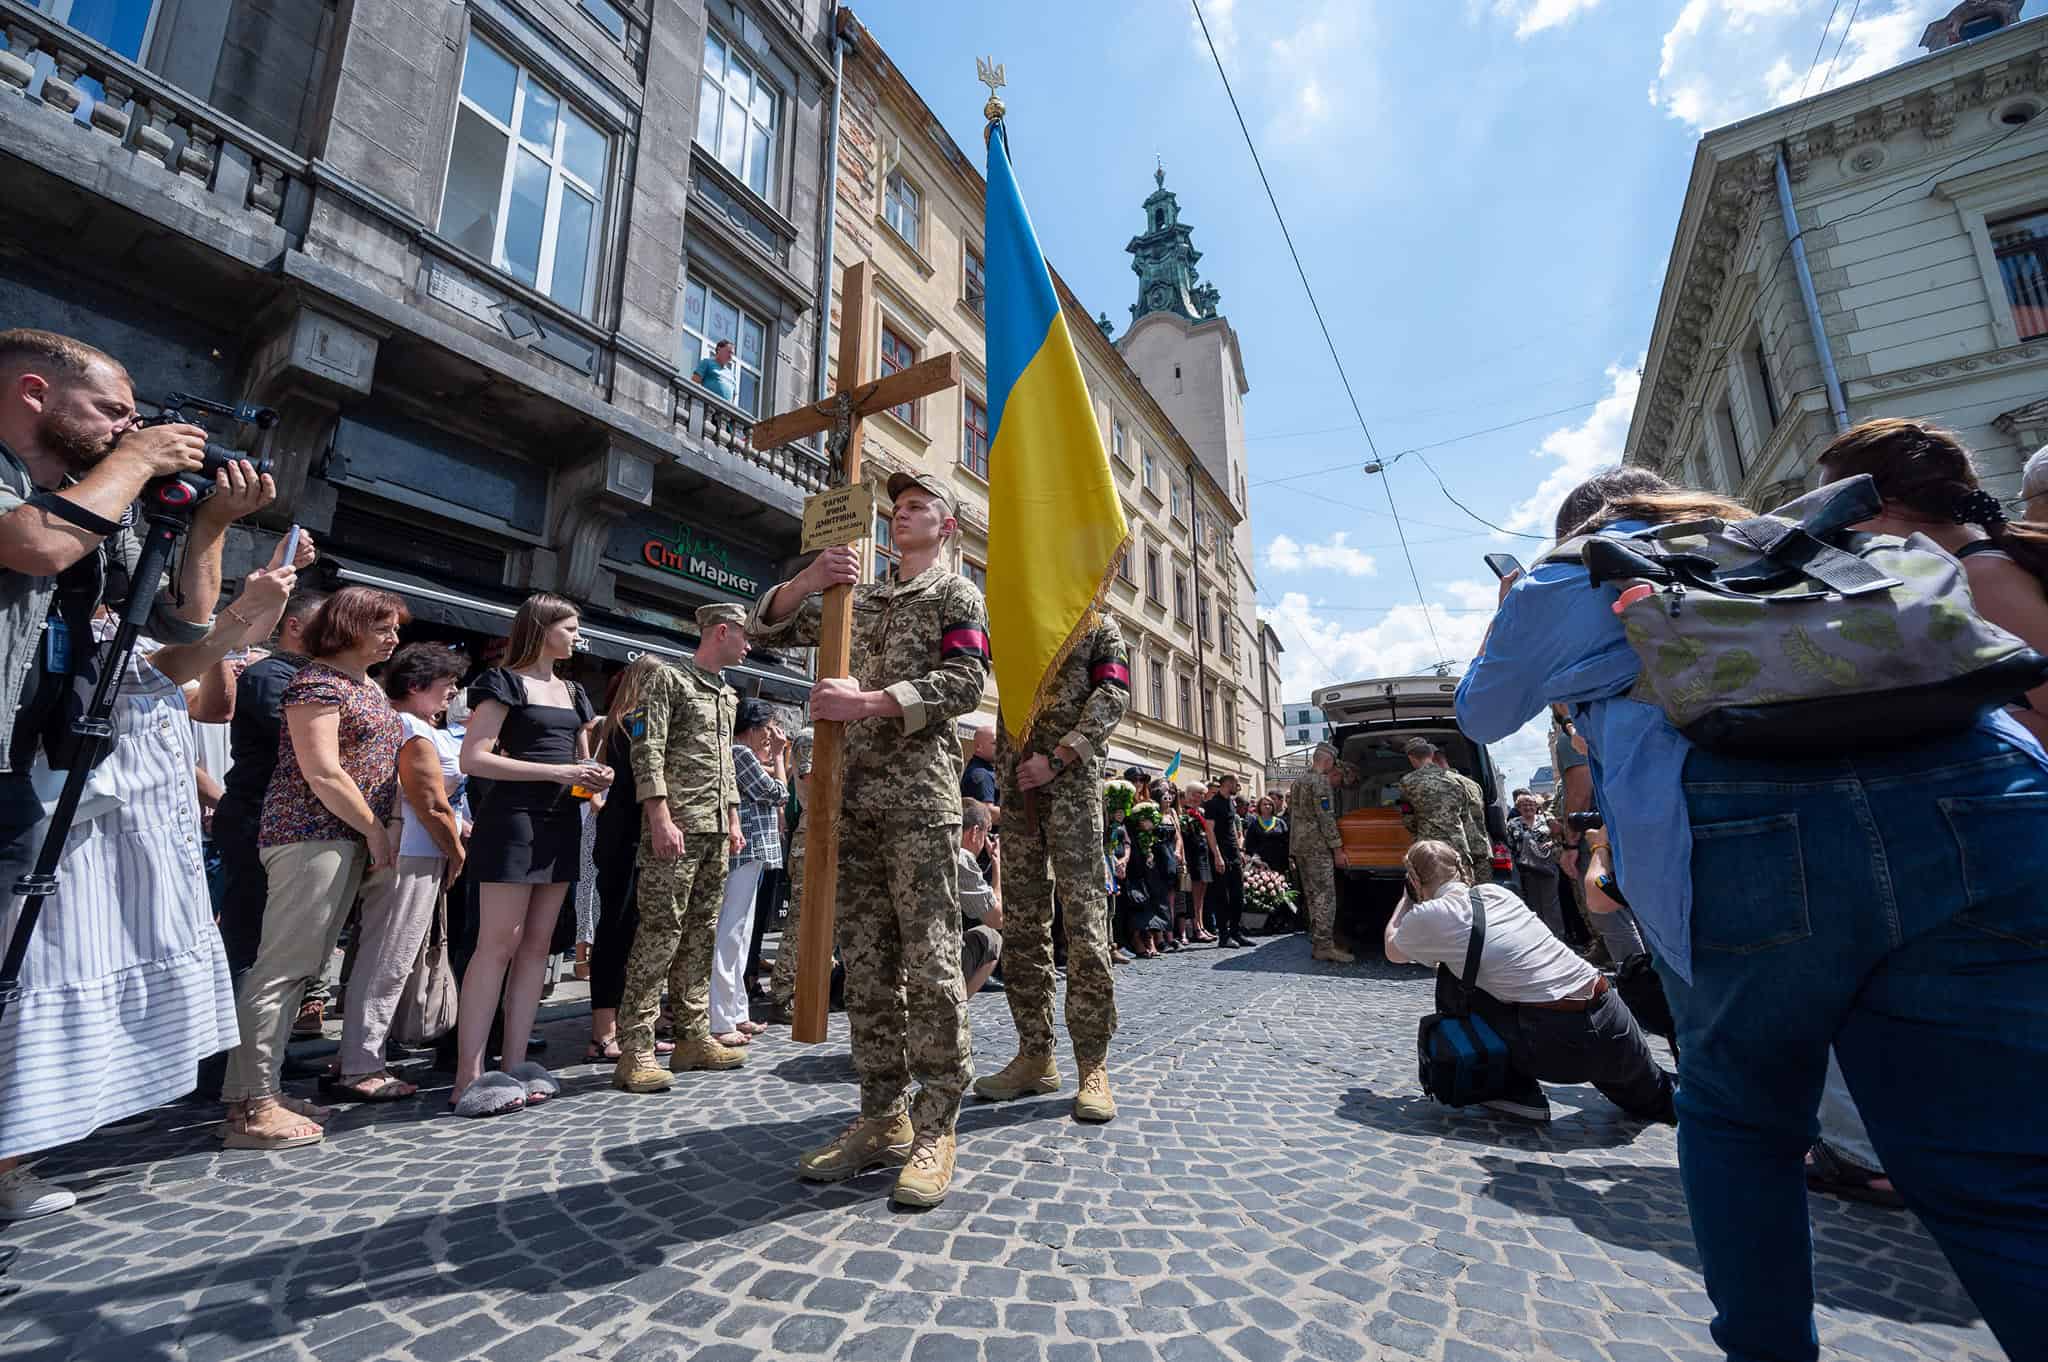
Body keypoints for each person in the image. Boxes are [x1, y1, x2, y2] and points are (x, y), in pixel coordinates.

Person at [1455, 466, 2048, 1362]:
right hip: (1986, 800)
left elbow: (1481, 711)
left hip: (1746, 828)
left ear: (1581, 524)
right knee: (1994, 1165)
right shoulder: (1812, 536)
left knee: (1741, 1119)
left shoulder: (1570, 571)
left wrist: (1519, 604)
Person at [0, 528, 298, 1216]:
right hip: (82, 834)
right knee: (48, 973)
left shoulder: (139, 638)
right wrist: (231, 603)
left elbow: (212, 703)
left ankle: (71, 1117)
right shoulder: (82, 638)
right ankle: (10, 1160)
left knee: (106, 972)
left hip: (139, 834)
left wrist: (239, 615)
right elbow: (179, 664)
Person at [749, 470, 990, 1206]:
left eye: (918, 508)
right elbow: (770, 628)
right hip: (847, 802)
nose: (902, 516)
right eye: (897, 509)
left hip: (918, 801)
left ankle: (936, 1123)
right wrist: (810, 578)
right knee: (869, 967)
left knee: (932, 961)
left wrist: (868, 703)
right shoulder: (863, 594)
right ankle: (879, 1114)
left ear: (945, 527)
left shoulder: (956, 595)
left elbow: (964, 682)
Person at [0, 330, 230, 894]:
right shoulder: (86, 492)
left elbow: (179, 619)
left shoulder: (96, 499)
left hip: (15, 758)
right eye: (112, 411)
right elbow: (38, 545)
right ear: (35, 393)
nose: (129, 428)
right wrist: (139, 457)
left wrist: (213, 521)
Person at [217, 587, 408, 1148]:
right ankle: (251, 1105)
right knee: (280, 969)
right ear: (349, 627)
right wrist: (375, 829)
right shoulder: (318, 682)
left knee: (298, 969)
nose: (394, 638)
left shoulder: (362, 685)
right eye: (384, 626)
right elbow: (321, 771)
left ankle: (261, 1091)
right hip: (309, 835)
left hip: (339, 838)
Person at [1386, 840, 1675, 1125]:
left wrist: (1406, 900)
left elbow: (1393, 950)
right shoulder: (1497, 893)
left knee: (1454, 975)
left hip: (1556, 1040)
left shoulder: (1429, 916)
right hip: (1610, 1014)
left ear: (1414, 878)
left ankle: (1513, 1090)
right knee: (1666, 1101)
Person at [453, 594, 609, 1117]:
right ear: (543, 629)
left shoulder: (574, 691)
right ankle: (467, 1077)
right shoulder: (501, 682)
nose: (577, 636)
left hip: (562, 820)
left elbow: (581, 765)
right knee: (498, 944)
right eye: (570, 627)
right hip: (513, 820)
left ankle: (516, 1063)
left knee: (538, 947)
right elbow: (474, 757)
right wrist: (559, 773)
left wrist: (595, 782)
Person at [974, 616, 1128, 1121]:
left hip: (1073, 789)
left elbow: (1112, 694)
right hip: (1018, 788)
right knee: (1022, 926)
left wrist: (1060, 757)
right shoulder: (1021, 610)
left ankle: (1092, 1065)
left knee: (1084, 925)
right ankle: (1035, 1054)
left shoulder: (1098, 624)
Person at [1817, 419, 2048, 748]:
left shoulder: (1981, 577)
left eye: (1834, 508)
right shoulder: (1973, 567)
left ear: (1883, 505)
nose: (1830, 528)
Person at [612, 605, 749, 1092]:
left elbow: (726, 764)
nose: (749, 646)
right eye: (744, 636)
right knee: (659, 934)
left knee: (701, 933)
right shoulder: (668, 680)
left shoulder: (728, 694)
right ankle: (636, 1048)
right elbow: (646, 749)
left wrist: (732, 817)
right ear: (721, 632)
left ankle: (693, 1037)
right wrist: (659, 816)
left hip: (713, 828)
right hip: (677, 827)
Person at [328, 643, 467, 1103]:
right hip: (411, 852)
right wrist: (456, 850)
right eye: (445, 685)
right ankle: (361, 1064)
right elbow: (428, 800)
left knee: (379, 956)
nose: (452, 693)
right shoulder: (409, 728)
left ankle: (357, 1055)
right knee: (388, 958)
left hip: (404, 850)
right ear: (416, 686)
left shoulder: (406, 724)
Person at [583, 655, 666, 1062]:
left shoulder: (622, 723)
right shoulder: (634, 723)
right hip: (626, 837)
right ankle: (604, 1031)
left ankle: (626, 1024)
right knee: (618, 930)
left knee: (631, 932)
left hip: (626, 835)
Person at [711, 698, 787, 1048]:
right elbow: (776, 793)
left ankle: (736, 1010)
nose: (772, 736)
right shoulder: (741, 753)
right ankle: (721, 1016)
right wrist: (781, 761)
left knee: (741, 938)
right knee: (731, 934)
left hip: (752, 854)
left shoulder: (745, 755)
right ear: (754, 728)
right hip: (744, 852)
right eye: (769, 727)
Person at [761, 726, 813, 1027]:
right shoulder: (811, 737)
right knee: (801, 923)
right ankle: (782, 993)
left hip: (836, 839)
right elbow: (810, 779)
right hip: (811, 839)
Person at [1289, 743, 1353, 963]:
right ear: (1327, 762)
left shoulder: (1299, 781)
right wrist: (1337, 849)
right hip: (1317, 847)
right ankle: (1324, 946)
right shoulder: (1321, 782)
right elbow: (1326, 818)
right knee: (1325, 896)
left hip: (1301, 846)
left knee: (1311, 896)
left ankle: (1318, 941)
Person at [1397, 739, 1485, 875]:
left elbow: (1409, 820)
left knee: (1433, 886)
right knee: (1463, 885)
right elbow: (1467, 817)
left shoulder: (1407, 782)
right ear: (1431, 755)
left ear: (1411, 758)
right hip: (1458, 846)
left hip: (1430, 849)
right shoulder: (1457, 780)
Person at [1505, 792, 1567, 943]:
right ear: (1518, 808)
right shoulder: (1512, 824)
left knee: (1551, 904)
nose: (1528, 807)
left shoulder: (1546, 819)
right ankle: (1540, 939)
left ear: (1536, 806)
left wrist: (1552, 843)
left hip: (1548, 866)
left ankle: (1558, 939)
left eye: (1531, 804)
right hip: (1526, 870)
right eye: (1524, 805)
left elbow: (1560, 835)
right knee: (1533, 905)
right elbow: (1509, 846)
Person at [956, 799, 1003, 997]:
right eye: (986, 832)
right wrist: (997, 867)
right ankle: (956, 1008)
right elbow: (997, 919)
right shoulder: (962, 857)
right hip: (933, 958)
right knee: (992, 939)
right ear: (975, 832)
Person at [1203, 775, 1252, 948]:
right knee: (1222, 896)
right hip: (1220, 854)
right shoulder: (1212, 804)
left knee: (1238, 895)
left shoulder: (1230, 803)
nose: (1237, 786)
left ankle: (1236, 932)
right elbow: (1210, 831)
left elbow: (1232, 828)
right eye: (1235, 783)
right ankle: (1224, 935)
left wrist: (1239, 851)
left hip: (1233, 854)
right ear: (1227, 783)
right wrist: (1217, 856)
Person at [1177, 785, 1217, 944]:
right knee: (1192, 896)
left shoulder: (1202, 812)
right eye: (1194, 794)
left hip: (1202, 855)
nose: (1198, 797)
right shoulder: (1183, 813)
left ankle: (1200, 925)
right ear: (1187, 795)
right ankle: (1195, 927)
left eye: (1201, 794)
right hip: (1191, 856)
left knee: (1201, 895)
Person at [1242, 794, 1289, 877]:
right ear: (1259, 807)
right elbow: (1249, 845)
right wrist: (1256, 860)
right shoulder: (1254, 824)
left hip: (1279, 863)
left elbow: (1286, 842)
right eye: (1264, 804)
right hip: (1260, 864)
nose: (1267, 806)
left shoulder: (1280, 822)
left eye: (1270, 804)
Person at [960, 721, 998, 810]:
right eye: (995, 743)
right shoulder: (982, 773)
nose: (1000, 747)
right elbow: (989, 811)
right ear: (979, 747)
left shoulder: (979, 768)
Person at [691, 339, 739, 405]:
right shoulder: (707, 363)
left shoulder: (732, 375)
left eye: (732, 354)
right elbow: (694, 383)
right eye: (729, 352)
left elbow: (733, 399)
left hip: (724, 412)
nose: (730, 356)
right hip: (707, 406)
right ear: (719, 349)